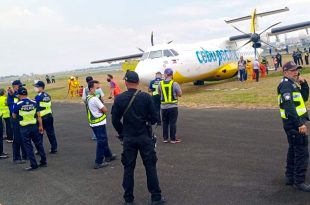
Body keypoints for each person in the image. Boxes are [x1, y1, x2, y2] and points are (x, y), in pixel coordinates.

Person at [111, 71, 165, 205]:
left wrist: (122, 132)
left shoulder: (119, 99)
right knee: (150, 167)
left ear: (126, 82)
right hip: (144, 136)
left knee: (128, 168)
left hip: (128, 138)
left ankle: (128, 199)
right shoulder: (146, 97)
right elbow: (154, 118)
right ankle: (156, 197)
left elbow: (115, 120)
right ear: (138, 82)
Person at [277, 61, 310, 192]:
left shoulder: (292, 84)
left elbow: (304, 98)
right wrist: (299, 124)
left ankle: (290, 177)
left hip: (293, 123)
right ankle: (299, 181)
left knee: (293, 150)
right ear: (285, 72)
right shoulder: (286, 85)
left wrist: (304, 83)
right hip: (294, 124)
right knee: (302, 153)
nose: (296, 72)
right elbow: (289, 106)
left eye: (297, 70)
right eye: (293, 70)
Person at [12, 87, 47, 171]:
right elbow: (39, 116)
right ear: (26, 94)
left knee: (28, 146)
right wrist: (41, 126)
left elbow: (14, 116)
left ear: (19, 95)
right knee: (39, 144)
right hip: (34, 126)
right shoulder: (34, 102)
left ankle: (33, 164)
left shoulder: (17, 104)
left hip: (24, 128)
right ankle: (43, 161)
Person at [86, 80, 116, 169]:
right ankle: (98, 162)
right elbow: (105, 109)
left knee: (103, 139)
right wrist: (102, 108)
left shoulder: (88, 97)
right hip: (98, 122)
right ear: (91, 89)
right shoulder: (95, 99)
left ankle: (108, 155)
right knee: (102, 141)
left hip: (94, 122)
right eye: (97, 88)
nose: (99, 90)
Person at [158, 68, 182, 143]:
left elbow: (159, 93)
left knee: (165, 122)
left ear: (165, 74)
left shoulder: (160, 83)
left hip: (163, 107)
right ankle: (173, 139)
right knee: (172, 122)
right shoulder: (175, 83)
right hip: (173, 107)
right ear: (172, 75)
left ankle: (165, 138)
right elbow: (180, 94)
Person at [34, 81, 58, 154]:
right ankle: (54, 148)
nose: (36, 88)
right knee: (51, 133)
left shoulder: (38, 97)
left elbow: (36, 107)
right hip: (49, 116)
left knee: (39, 133)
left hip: (41, 117)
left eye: (37, 87)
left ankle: (39, 149)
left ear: (41, 87)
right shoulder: (48, 95)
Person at [7, 80, 27, 163]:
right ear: (15, 87)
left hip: (21, 118)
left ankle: (25, 155)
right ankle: (16, 157)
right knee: (17, 138)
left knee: (24, 137)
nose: (22, 88)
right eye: (20, 86)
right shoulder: (11, 97)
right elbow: (12, 110)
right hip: (15, 119)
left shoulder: (16, 96)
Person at [82, 76, 105, 141]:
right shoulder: (98, 88)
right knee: (100, 119)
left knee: (92, 119)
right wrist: (103, 104)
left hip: (90, 107)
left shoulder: (85, 89)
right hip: (99, 106)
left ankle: (95, 135)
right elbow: (102, 96)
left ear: (86, 82)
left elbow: (84, 98)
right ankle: (100, 134)